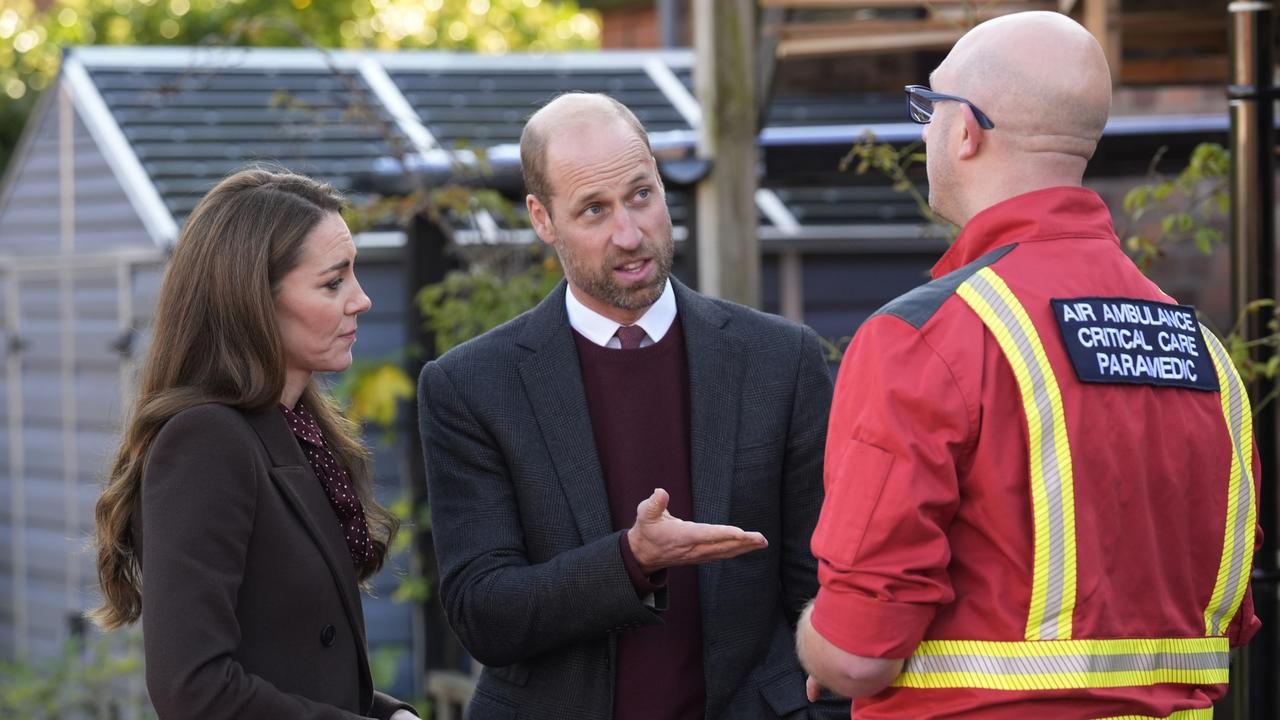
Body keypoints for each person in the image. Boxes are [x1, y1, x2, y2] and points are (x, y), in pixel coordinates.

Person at [797, 10, 1261, 719]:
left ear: (965, 130)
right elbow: (1224, 619)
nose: (924, 131)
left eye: (929, 107)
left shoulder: (926, 337)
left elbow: (860, 654)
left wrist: (811, 641)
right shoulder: (1203, 353)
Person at [418, 93, 845, 719]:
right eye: (594, 209)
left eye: (641, 195)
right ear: (542, 218)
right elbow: (484, 613)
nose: (630, 233)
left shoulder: (780, 361)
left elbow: (827, 591)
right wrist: (632, 560)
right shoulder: (473, 386)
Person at [91, 168, 420, 720]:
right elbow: (193, 689)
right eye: (333, 282)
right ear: (253, 300)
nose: (362, 300)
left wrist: (391, 714)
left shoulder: (296, 430)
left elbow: (300, 659)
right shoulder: (206, 442)